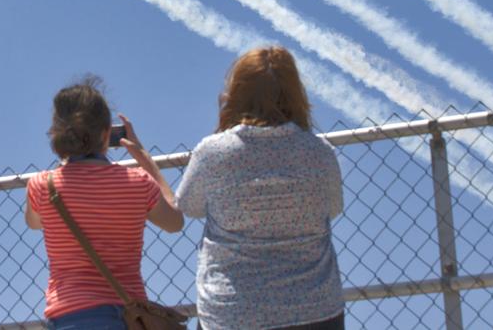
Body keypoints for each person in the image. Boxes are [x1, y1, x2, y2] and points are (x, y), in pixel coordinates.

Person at [177, 46, 345, 330]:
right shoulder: (320, 153)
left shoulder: (213, 153)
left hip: (234, 313)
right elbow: (333, 208)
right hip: (316, 309)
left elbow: (188, 207)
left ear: (237, 92)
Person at [25, 76, 184, 330]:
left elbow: (34, 223)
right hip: (128, 317)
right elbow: (175, 222)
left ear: (58, 133)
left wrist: (65, 163)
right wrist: (146, 160)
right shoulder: (138, 181)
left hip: (69, 317)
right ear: (107, 133)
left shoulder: (43, 185)